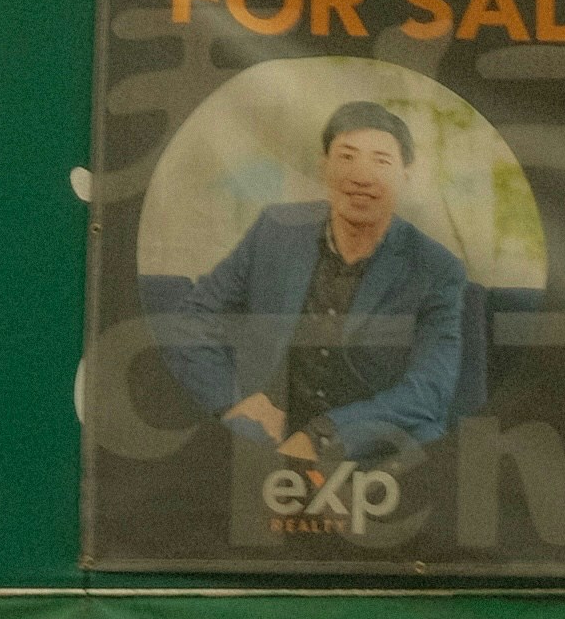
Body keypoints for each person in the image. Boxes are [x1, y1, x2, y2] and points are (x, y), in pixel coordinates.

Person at [146, 97, 473, 516]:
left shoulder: (436, 267)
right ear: (324, 166)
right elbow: (193, 321)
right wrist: (232, 401)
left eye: (381, 162)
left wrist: (325, 435)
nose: (361, 177)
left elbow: (431, 389)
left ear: (406, 176)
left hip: (371, 438)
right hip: (272, 428)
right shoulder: (276, 230)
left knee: (425, 445)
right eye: (347, 157)